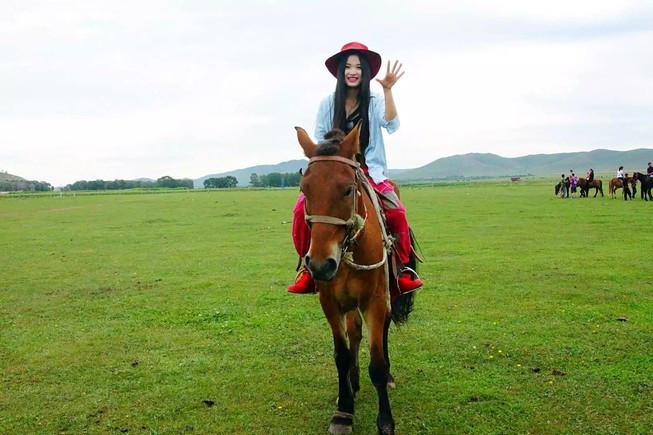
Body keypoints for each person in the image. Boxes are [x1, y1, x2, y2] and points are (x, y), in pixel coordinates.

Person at [288, 41, 423, 294]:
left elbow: (391, 124)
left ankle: (403, 269)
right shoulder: (328, 103)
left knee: (397, 212)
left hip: (371, 171)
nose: (353, 71)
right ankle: (306, 269)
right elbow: (320, 139)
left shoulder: (374, 101)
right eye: (348, 66)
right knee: (299, 212)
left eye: (358, 67)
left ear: (365, 72)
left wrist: (388, 90)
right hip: (337, 171)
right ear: (340, 71)